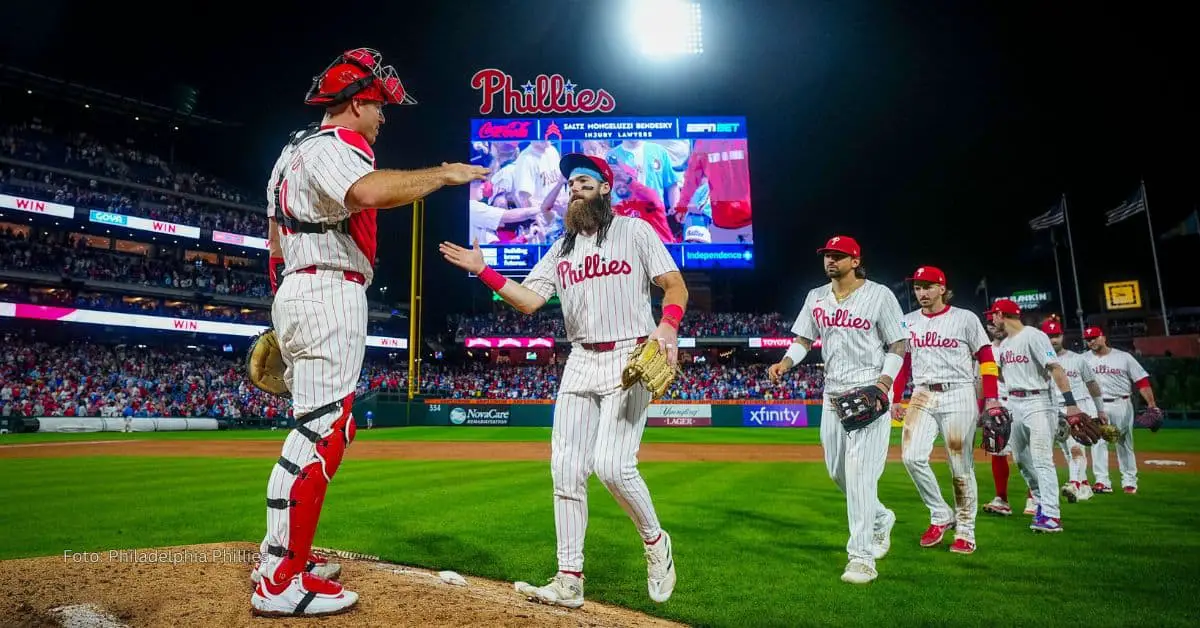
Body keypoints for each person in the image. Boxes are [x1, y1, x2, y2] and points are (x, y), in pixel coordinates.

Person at [251, 47, 487, 617]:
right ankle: (281, 579)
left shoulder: (288, 154)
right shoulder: (335, 145)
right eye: (381, 107)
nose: (385, 118)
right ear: (356, 103)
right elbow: (371, 192)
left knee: (321, 427)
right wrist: (444, 175)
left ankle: (280, 556)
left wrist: (284, 314)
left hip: (302, 286)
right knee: (322, 433)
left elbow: (275, 244)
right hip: (329, 288)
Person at [439, 153, 687, 609]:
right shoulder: (561, 248)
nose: (574, 188)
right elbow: (530, 301)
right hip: (580, 360)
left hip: (631, 355)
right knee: (566, 471)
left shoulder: (635, 232)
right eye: (571, 183)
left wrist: (668, 325)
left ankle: (656, 543)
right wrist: (483, 271)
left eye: (585, 182)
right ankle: (569, 578)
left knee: (613, 466)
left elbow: (674, 284)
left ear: (606, 189)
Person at [768, 235, 906, 584]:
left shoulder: (880, 295)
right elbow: (803, 339)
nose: (831, 260)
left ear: (855, 261)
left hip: (868, 393)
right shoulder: (816, 296)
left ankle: (861, 558)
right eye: (827, 255)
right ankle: (879, 518)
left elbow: (898, 343)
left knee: (860, 476)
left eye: (839, 255)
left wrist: (884, 384)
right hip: (832, 396)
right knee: (837, 473)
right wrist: (786, 362)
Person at [889, 267, 998, 555]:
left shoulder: (964, 318)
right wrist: (897, 398)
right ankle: (940, 514)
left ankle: (965, 530)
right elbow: (903, 363)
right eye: (917, 288)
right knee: (912, 458)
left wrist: (992, 399)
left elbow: (986, 358)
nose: (921, 293)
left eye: (927, 287)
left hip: (959, 392)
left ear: (941, 288)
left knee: (960, 466)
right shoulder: (908, 321)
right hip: (923, 393)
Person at [986, 299, 1083, 533]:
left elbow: (1055, 368)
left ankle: (1052, 515)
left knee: (1041, 458)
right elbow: (1002, 376)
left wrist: (1070, 404)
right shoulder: (1006, 344)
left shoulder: (1034, 336)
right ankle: (1041, 502)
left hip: (1039, 400)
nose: (991, 320)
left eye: (993, 316)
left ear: (1001, 315)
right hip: (1015, 402)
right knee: (1021, 459)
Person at [1082, 326, 1159, 494]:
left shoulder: (1123, 357)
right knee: (1097, 442)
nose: (1091, 341)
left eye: (1094, 337)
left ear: (1103, 337)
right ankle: (1102, 481)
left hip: (1121, 403)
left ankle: (1129, 481)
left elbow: (1141, 381)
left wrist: (1152, 404)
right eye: (1088, 339)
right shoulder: (1083, 359)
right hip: (1094, 405)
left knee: (1124, 442)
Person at [1041, 319, 1106, 503]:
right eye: (1049, 336)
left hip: (1076, 408)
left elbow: (1092, 385)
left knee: (1076, 448)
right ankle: (1084, 486)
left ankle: (1073, 484)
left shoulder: (1078, 360)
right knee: (1067, 451)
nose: (1053, 340)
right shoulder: (1041, 361)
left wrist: (1100, 410)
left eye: (1056, 335)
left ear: (1062, 336)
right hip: (1052, 410)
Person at [980, 319, 1015, 516]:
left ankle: (1033, 498)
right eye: (990, 325)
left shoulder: (1018, 344)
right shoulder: (986, 349)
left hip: (1019, 400)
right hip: (997, 405)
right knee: (997, 450)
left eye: (996, 322)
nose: (993, 328)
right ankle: (1001, 499)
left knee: (1025, 453)